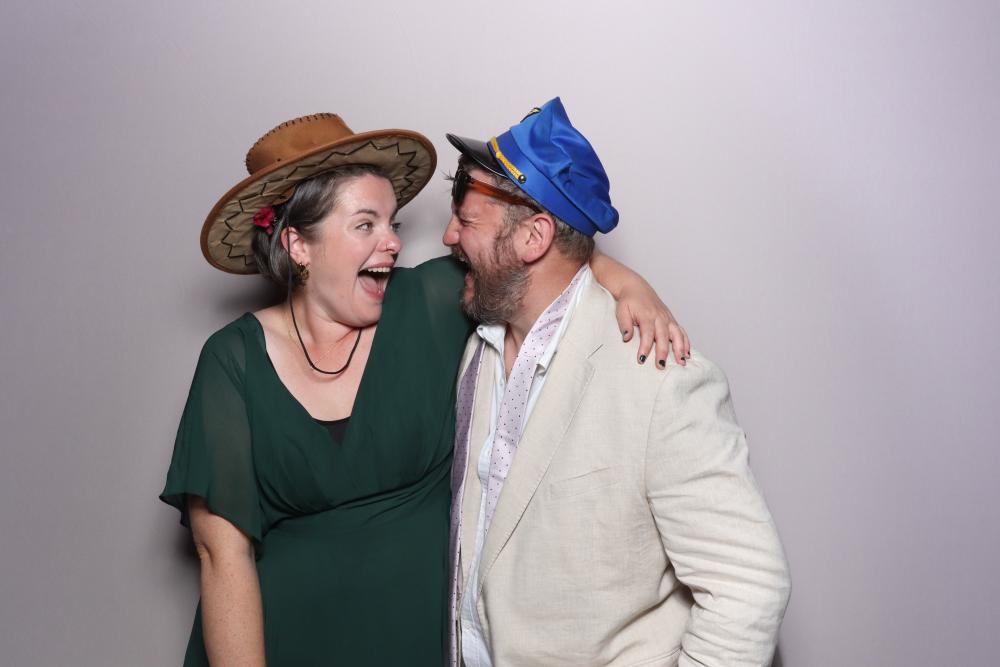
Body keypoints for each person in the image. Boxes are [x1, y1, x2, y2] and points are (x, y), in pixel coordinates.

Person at [160, 112, 690, 666]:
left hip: (419, 644)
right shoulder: (233, 360)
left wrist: (633, 287)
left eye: (392, 223)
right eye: (365, 225)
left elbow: (547, 246)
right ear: (299, 245)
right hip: (280, 643)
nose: (393, 242)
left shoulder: (435, 302)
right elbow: (221, 556)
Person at [445, 98, 791, 667]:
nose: (448, 236)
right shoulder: (480, 339)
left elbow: (748, 586)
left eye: (466, 221)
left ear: (533, 238)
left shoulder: (660, 380)